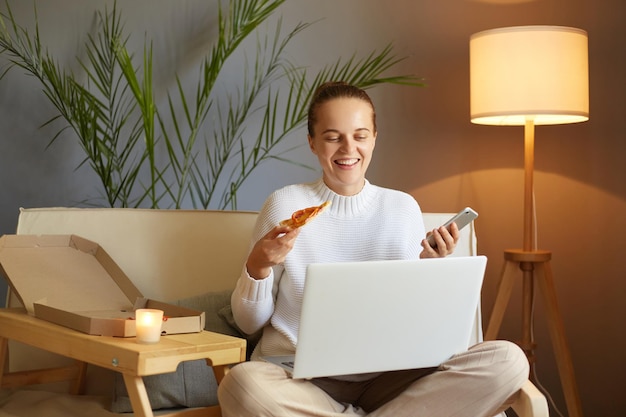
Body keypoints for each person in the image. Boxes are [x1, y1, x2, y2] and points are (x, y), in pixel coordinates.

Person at [217, 81, 529, 417]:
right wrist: (257, 267)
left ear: (375, 138)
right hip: (299, 379)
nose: (348, 148)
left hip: (391, 380)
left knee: (509, 361)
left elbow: (418, 326)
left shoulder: (402, 208)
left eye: (360, 135)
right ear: (312, 142)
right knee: (241, 386)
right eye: (333, 136)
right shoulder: (285, 205)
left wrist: (430, 269)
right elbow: (249, 324)